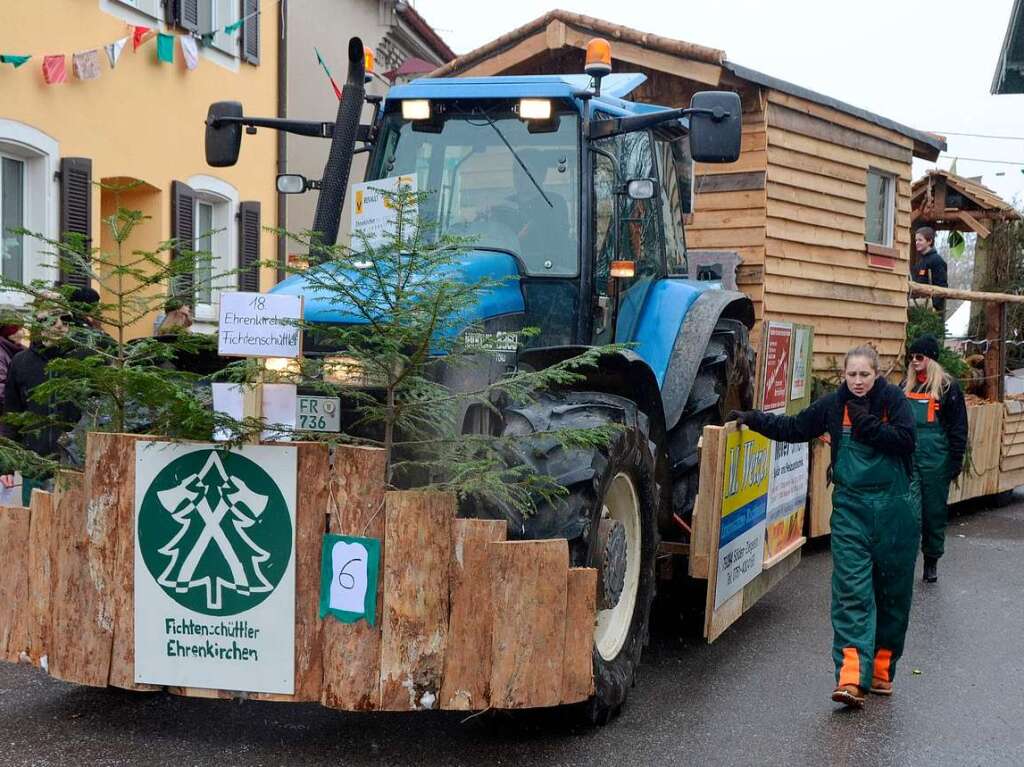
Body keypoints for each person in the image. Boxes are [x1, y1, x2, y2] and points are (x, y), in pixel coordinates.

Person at [730, 346, 917, 709]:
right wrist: (753, 419)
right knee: (851, 591)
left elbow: (907, 441)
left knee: (893, 595)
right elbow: (795, 427)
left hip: (895, 511)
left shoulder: (893, 400)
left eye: (865, 375)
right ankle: (850, 677)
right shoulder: (834, 405)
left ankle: (881, 669)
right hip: (850, 511)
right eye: (852, 375)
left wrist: (870, 428)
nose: (858, 382)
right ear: (843, 376)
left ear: (877, 374)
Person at [903, 335, 968, 583]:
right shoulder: (905, 386)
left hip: (936, 461)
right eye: (912, 357)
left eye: (919, 357)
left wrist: (955, 460)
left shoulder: (948, 388)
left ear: (931, 359)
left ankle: (931, 560)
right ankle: (905, 561)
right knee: (908, 512)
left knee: (934, 513)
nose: (914, 361)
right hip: (909, 458)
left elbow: (958, 428)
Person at [2, 310, 82, 505]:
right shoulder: (20, 362)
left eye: (65, 319)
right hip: (35, 466)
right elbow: (12, 415)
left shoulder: (83, 360)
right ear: (37, 323)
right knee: (35, 526)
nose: (59, 325)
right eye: (52, 319)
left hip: (76, 468)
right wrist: (6, 465)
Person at [911, 226, 948, 314]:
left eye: (920, 240)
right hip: (918, 306)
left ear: (929, 241)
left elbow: (942, 285)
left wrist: (935, 306)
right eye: (916, 240)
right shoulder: (920, 262)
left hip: (932, 311)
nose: (917, 243)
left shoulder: (936, 260)